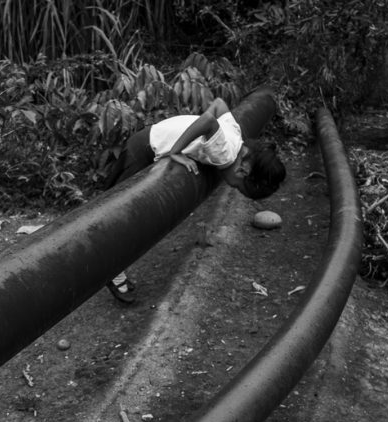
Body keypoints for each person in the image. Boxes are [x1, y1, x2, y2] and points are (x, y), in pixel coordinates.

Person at [103, 97, 286, 304]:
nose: (231, 185)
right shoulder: (225, 155)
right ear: (243, 170)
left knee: (116, 210)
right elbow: (208, 119)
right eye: (236, 186)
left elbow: (218, 104)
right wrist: (176, 150)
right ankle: (110, 272)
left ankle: (113, 268)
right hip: (145, 149)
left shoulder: (236, 138)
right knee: (117, 216)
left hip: (149, 136)